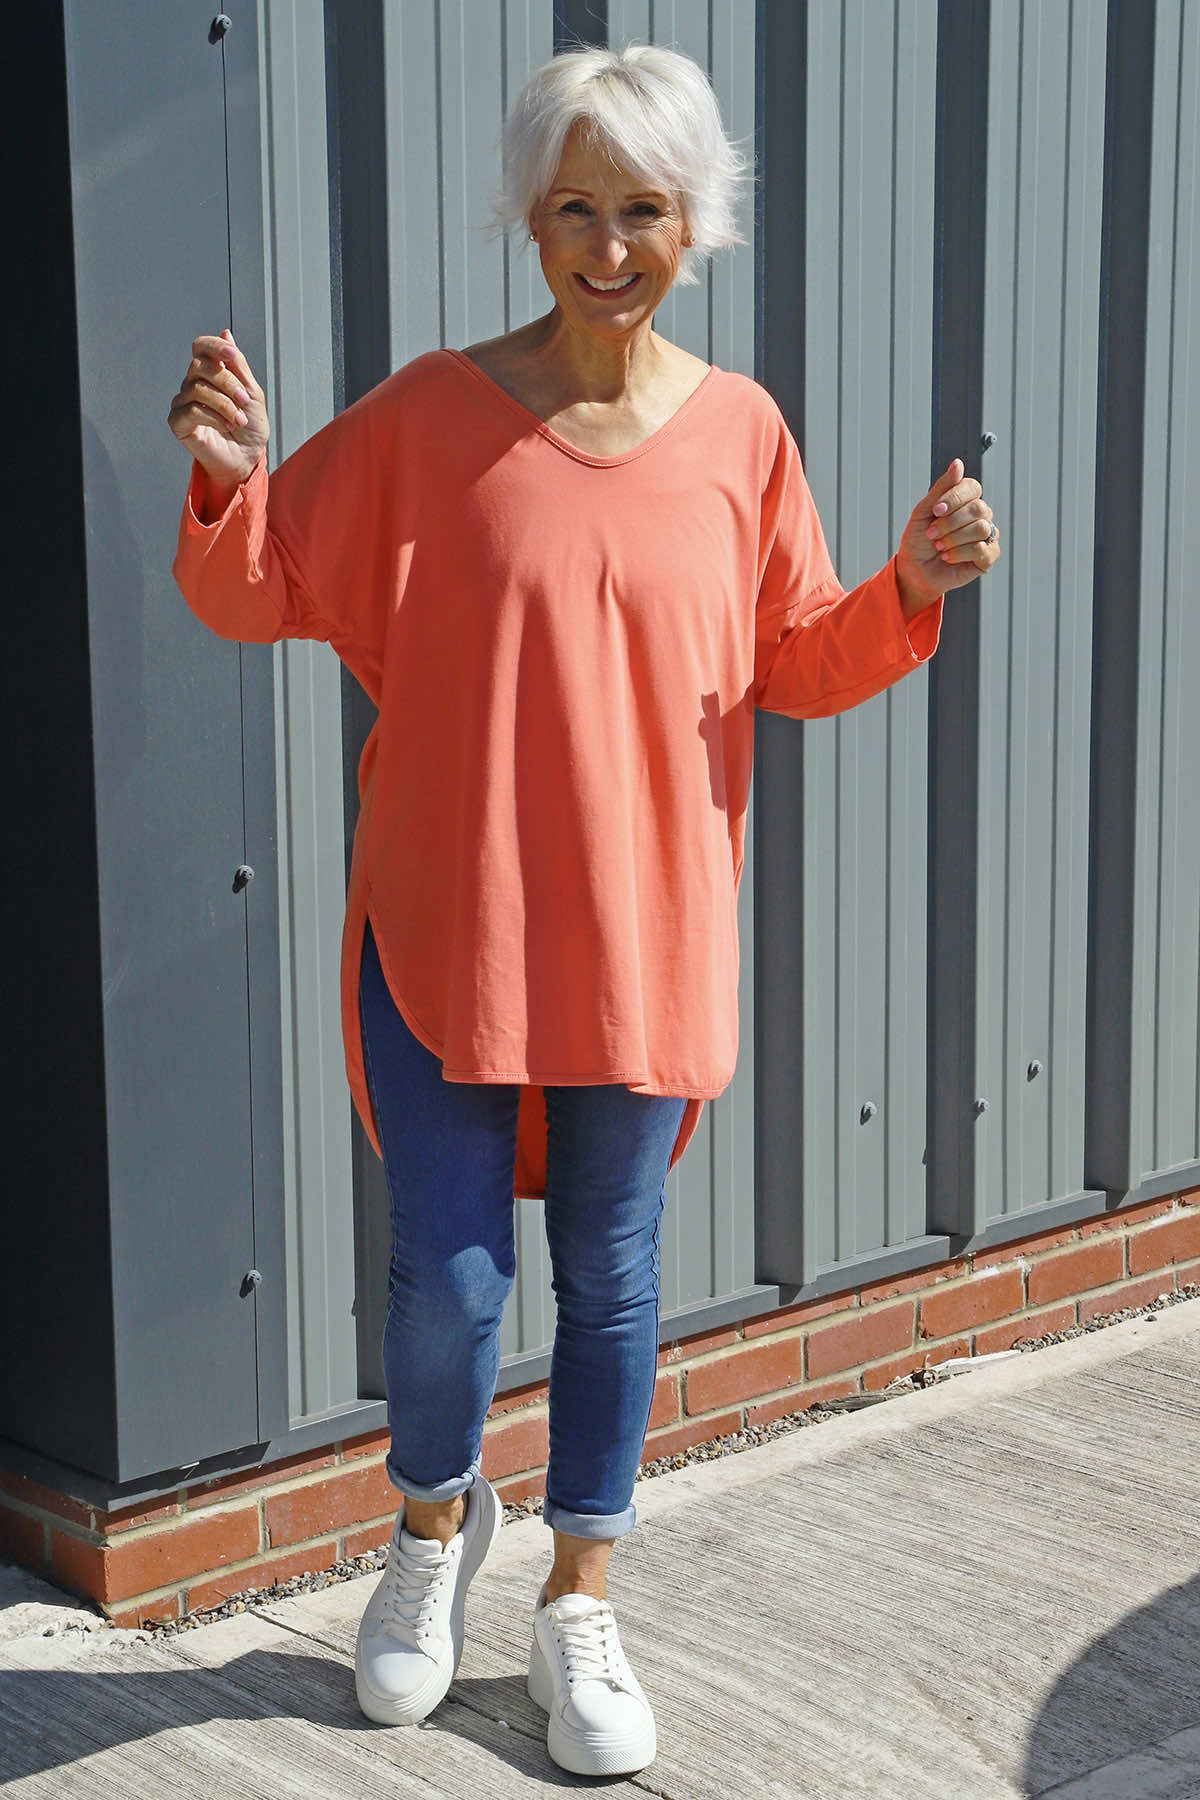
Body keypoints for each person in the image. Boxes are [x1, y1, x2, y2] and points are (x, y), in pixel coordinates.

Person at [168, 39, 999, 1779]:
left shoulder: (741, 436)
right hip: (444, 928)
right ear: (529, 220)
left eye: (641, 209)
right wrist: (236, 475)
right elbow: (263, 588)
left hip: (641, 937)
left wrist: (907, 585)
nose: (608, 246)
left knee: (613, 1284)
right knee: (451, 1285)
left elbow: (793, 657)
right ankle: (426, 1540)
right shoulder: (427, 417)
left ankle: (578, 1600)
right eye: (574, 208)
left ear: (695, 222)